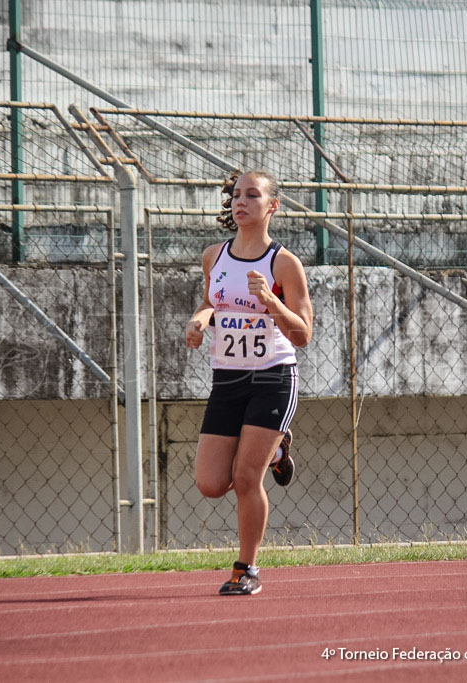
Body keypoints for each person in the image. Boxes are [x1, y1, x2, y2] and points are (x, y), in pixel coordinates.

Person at [184, 170, 313, 595]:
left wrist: (272, 301)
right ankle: (279, 447)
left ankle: (246, 570)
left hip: (273, 377)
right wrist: (202, 318)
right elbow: (211, 301)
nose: (241, 202)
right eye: (236, 195)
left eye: (252, 195)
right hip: (227, 379)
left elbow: (303, 334)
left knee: (244, 477)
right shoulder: (213, 256)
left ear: (271, 206)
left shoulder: (282, 263)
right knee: (210, 484)